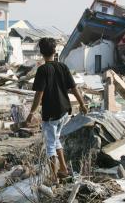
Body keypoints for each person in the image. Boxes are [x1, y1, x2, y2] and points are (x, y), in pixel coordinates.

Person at [26, 37, 88, 181]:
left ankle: (53, 178)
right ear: (55, 51)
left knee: (50, 146)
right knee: (56, 139)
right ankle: (64, 169)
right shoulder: (63, 67)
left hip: (51, 114)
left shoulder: (42, 70)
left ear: (42, 53)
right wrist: (83, 104)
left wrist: (31, 113)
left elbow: (39, 94)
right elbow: (74, 88)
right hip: (65, 111)